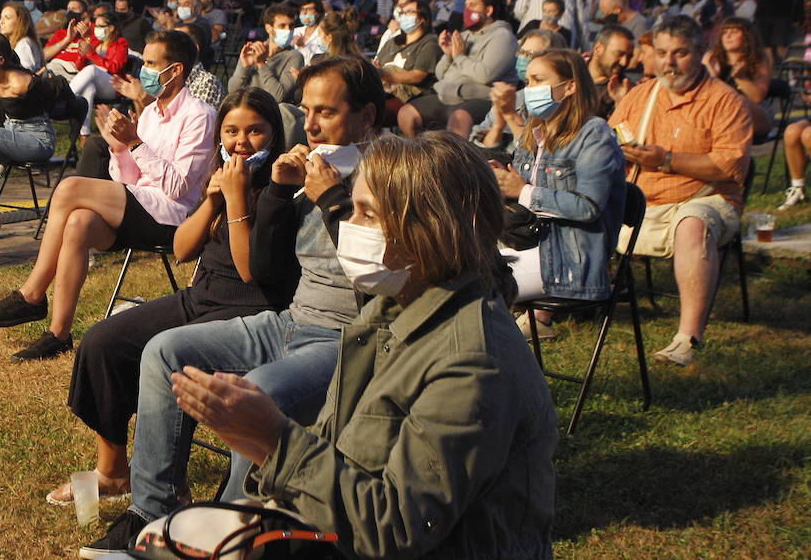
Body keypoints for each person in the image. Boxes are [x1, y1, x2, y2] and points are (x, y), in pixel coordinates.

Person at [157, 132, 556, 560]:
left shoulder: (471, 361)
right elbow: (345, 456)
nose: (347, 225)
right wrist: (259, 443)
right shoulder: (387, 310)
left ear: (428, 230)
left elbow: (399, 529)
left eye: (366, 213)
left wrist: (276, 438)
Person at [79, 56, 384, 556]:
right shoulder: (299, 170)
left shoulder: (386, 174)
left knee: (259, 391)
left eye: (325, 112)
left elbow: (375, 273)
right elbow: (258, 262)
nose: (309, 124)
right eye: (305, 110)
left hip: (348, 335)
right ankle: (151, 512)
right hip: (290, 320)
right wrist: (280, 194)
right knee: (162, 351)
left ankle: (222, 530)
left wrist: (329, 199)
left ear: (367, 117)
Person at [49, 88, 290, 508]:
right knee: (103, 342)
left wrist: (235, 198)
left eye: (255, 131)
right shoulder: (225, 179)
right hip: (201, 296)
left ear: (273, 136)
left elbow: (250, 269)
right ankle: (112, 472)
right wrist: (214, 198)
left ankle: (165, 486)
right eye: (231, 131)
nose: (240, 141)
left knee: (162, 360)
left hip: (248, 310)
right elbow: (182, 250)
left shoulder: (280, 189)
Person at [0, 31, 214, 362]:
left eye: (149, 63)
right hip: (141, 206)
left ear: (175, 71)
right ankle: (58, 334)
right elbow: (130, 178)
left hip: (172, 220)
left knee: (71, 188)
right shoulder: (150, 113)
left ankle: (32, 294)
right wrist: (119, 148)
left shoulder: (199, 115)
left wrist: (134, 144)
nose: (142, 70)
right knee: (78, 222)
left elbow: (178, 188)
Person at [608, 15, 752, 366]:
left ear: (701, 51)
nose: (669, 63)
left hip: (705, 198)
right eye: (661, 53)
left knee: (692, 223)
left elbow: (729, 167)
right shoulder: (640, 95)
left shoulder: (726, 101)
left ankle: (688, 337)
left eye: (680, 53)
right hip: (642, 200)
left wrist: (667, 159)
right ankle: (546, 314)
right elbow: (609, 139)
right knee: (580, 206)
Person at [490, 50, 627, 335]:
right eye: (527, 81)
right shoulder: (534, 133)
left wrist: (523, 190)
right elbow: (519, 191)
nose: (530, 89)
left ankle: (500, 360)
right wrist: (499, 179)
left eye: (538, 80)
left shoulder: (594, 133)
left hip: (569, 261)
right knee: (449, 267)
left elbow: (588, 206)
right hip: (525, 245)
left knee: (474, 288)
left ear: (570, 86)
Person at [0, 33, 56, 240]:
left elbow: (50, 102)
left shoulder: (22, 82)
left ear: (0, 59)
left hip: (37, 140)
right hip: (11, 135)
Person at [402, 0, 517, 136]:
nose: (467, 10)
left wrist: (459, 57)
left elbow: (485, 75)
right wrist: (448, 55)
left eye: (473, 5)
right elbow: (440, 74)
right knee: (407, 114)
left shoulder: (503, 37)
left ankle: (457, 158)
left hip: (481, 98)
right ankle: (418, 156)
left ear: (488, 10)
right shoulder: (464, 35)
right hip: (448, 94)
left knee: (459, 119)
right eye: (466, 5)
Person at [702, 16, 774, 138]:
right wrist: (711, 73)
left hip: (754, 115)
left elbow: (757, 97)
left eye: (734, 32)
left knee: (736, 101)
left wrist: (740, 77)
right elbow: (704, 95)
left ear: (746, 36)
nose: (728, 36)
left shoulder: (758, 60)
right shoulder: (712, 59)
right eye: (725, 32)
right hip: (719, 116)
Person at [373, 0, 440, 114]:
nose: (404, 16)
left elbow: (418, 76)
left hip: (410, 96)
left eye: (409, 12)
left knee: (371, 109)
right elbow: (378, 63)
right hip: (382, 90)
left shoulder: (430, 43)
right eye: (403, 12)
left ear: (422, 18)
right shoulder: (393, 41)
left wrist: (385, 74)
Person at [68, 12, 130, 136]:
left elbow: (115, 68)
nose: (96, 29)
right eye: (95, 26)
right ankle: (84, 133)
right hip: (97, 84)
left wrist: (91, 54)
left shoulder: (121, 43)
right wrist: (82, 55)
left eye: (100, 26)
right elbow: (79, 67)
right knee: (89, 89)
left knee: (92, 69)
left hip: (113, 85)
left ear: (111, 28)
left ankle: (64, 97)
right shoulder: (95, 42)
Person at [227, 4, 302, 105]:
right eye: (282, 26)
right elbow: (232, 90)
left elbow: (278, 96)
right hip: (247, 106)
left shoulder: (294, 56)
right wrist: (244, 68)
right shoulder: (254, 50)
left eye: (291, 26)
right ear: (268, 28)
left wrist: (261, 65)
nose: (288, 30)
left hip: (271, 112)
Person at [586, 24, 636, 120]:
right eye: (619, 54)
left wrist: (621, 104)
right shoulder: (571, 72)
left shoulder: (626, 89)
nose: (624, 62)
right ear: (598, 49)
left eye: (629, 56)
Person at [0, 2, 44, 71]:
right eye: (1, 17)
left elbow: (25, 72)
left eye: (7, 18)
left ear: (20, 21)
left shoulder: (24, 43)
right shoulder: (16, 42)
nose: (1, 22)